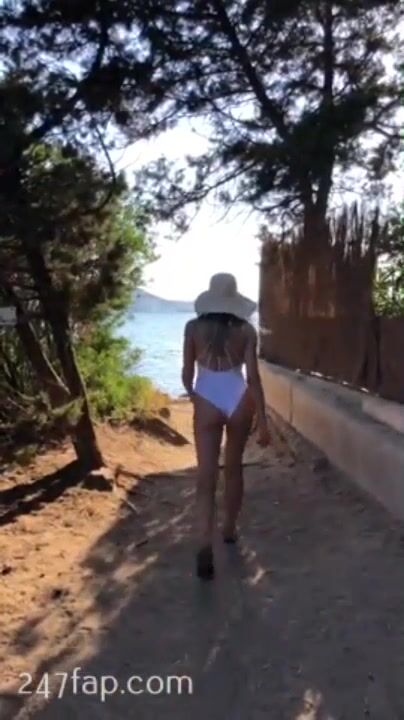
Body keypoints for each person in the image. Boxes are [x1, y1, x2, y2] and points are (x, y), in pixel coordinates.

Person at [182, 273, 271, 580]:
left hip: (207, 395)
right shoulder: (246, 330)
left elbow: (186, 372)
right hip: (238, 397)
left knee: (206, 476)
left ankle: (204, 543)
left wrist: (194, 396)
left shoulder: (193, 328)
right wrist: (263, 421)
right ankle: (230, 529)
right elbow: (253, 377)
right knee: (233, 468)